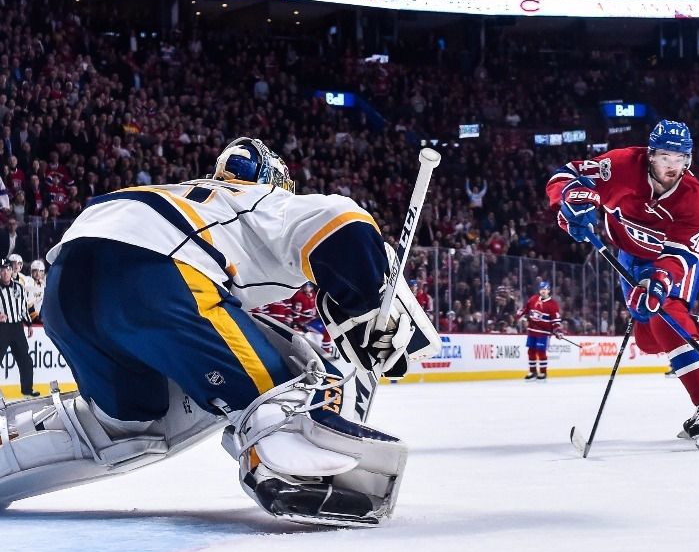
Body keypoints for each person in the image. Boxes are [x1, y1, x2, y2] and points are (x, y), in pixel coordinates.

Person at [0, 137, 440, 526]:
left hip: (68, 286)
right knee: (288, 388)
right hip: (159, 274)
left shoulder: (192, 196)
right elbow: (342, 217)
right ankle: (306, 471)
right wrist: (368, 303)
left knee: (129, 422)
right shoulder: (260, 200)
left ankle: (17, 447)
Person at [547, 120, 699, 449]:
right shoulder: (619, 166)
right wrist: (568, 204)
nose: (672, 166)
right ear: (650, 155)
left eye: (680, 159)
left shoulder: (696, 201)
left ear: (689, 160)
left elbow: (680, 257)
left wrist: (659, 281)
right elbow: (564, 175)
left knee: (665, 315)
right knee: (647, 341)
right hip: (629, 256)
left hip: (672, 262)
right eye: (664, 157)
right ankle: (697, 327)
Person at [514, 280, 563, 381]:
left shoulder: (553, 304)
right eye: (541, 289)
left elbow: (556, 321)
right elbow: (525, 309)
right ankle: (533, 371)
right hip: (532, 331)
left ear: (549, 290)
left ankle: (543, 372)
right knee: (531, 351)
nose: (543, 291)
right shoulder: (533, 299)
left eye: (545, 289)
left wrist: (557, 330)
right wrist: (519, 314)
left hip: (544, 333)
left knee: (541, 352)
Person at [0, 257, 35, 396]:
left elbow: (23, 308)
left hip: (17, 328)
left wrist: (29, 324)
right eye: (2, 270)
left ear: (11, 270)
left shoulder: (19, 287)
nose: (5, 273)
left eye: (7, 269)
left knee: (25, 360)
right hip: (2, 329)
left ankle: (27, 389)